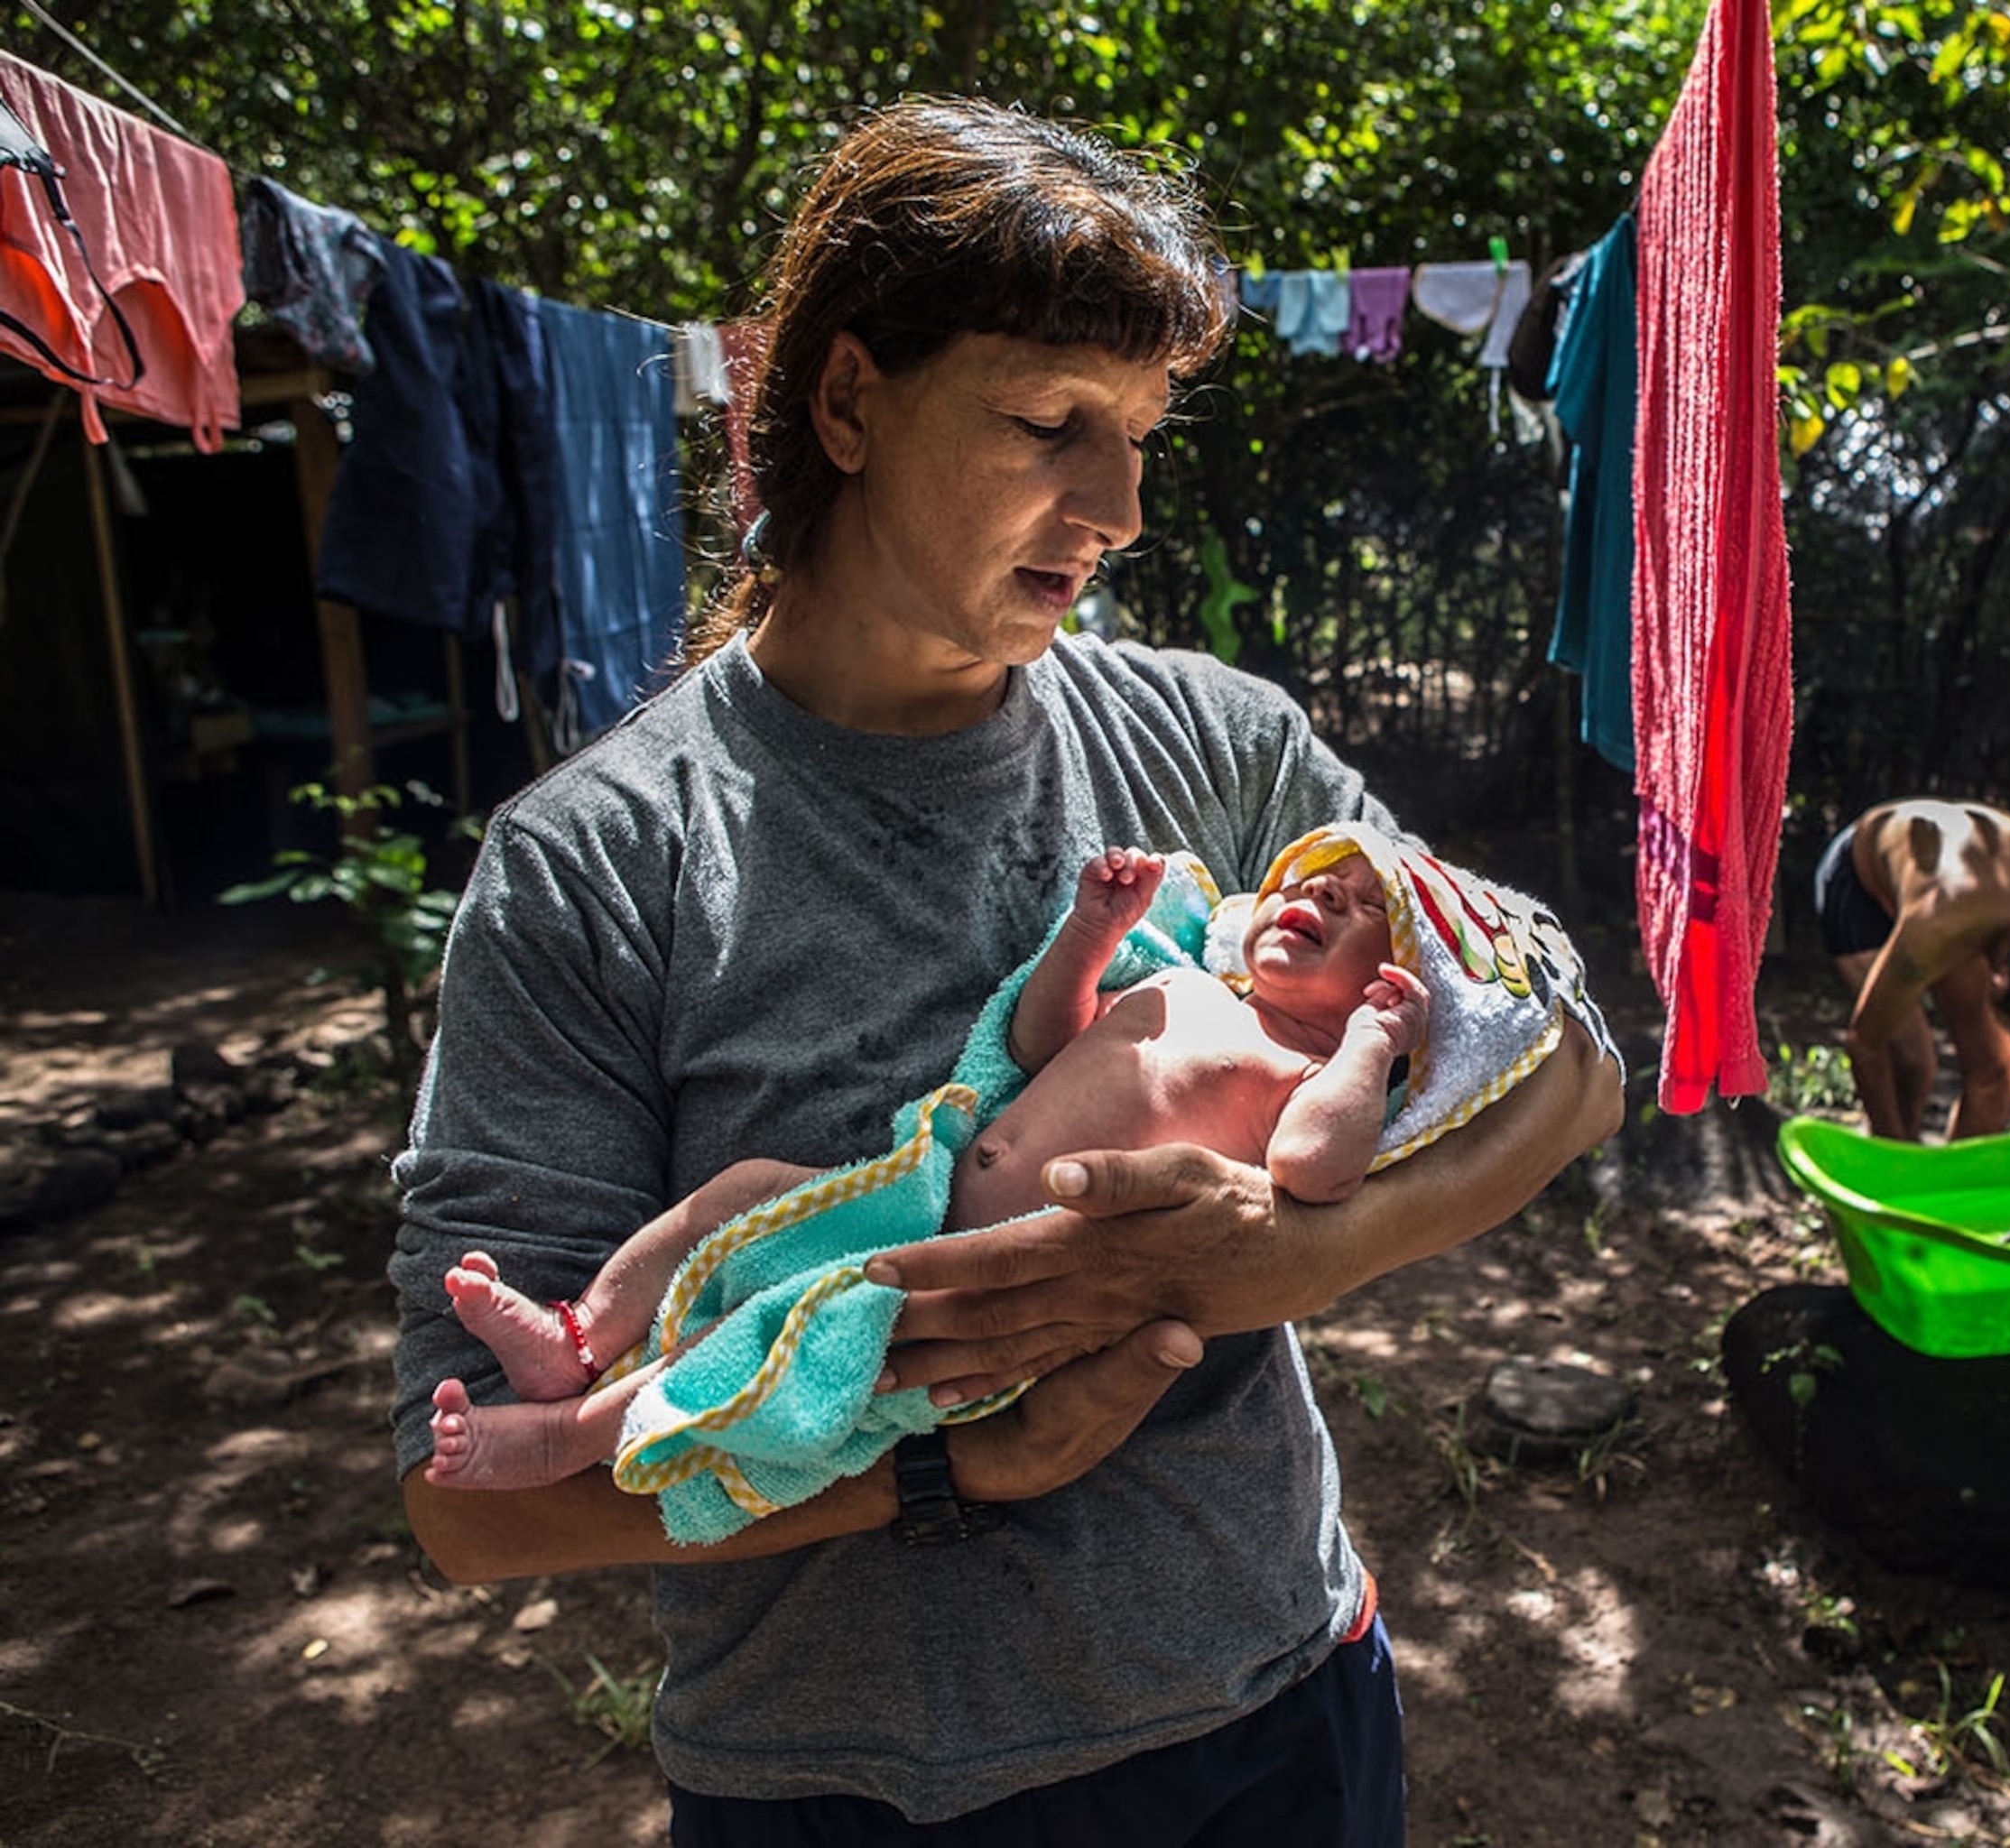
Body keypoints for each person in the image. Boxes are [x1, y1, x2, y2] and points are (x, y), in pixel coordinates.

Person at [386, 97, 1621, 1847]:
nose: (1118, 505)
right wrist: (946, 1466)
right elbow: (464, 1508)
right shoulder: (599, 862)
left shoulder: (1211, 739)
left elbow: (1570, 1048)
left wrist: (1292, 1251)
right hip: (855, 1793)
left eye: (1141, 434)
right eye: (1051, 422)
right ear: (847, 402)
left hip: (1280, 1701)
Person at [419, 841, 1430, 1493]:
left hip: (991, 1280)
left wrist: (1372, 1046)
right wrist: (1092, 934)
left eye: (1356, 904)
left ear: (1390, 983)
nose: (1318, 892)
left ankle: (567, 1435)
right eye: (1307, 879)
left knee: (766, 1330)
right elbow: (1038, 1040)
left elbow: (1313, 1167)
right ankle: (580, 1332)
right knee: (741, 1188)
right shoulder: (1184, 980)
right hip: (923, 1191)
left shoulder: (1308, 1073)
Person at [1811, 798, 2010, 1142]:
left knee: (1999, 1076)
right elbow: (1865, 1045)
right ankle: (1891, 1166)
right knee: (1911, 1063)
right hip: (1862, 886)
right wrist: (1894, 1153)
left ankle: (1954, 1175)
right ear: (1997, 984)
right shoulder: (1935, 930)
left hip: (1975, 901)